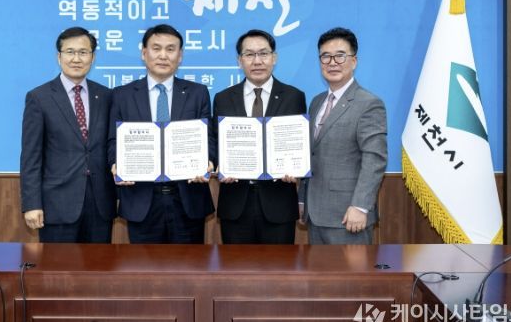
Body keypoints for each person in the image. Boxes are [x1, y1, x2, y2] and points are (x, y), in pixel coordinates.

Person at [108, 24, 214, 243]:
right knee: (143, 264)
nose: (163, 55)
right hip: (141, 199)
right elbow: (113, 140)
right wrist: (115, 163)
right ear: (144, 53)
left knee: (190, 263)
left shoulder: (198, 93)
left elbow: (209, 137)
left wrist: (209, 161)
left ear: (180, 55)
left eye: (170, 49)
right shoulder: (122, 95)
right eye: (156, 48)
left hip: (188, 198)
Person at [20, 27, 116, 242]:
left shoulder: (106, 95)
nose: (76, 59)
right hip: (57, 204)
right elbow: (30, 157)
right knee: (57, 264)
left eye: (83, 52)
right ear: (59, 56)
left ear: (92, 57)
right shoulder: (39, 98)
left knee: (99, 262)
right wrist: (32, 204)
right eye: (70, 52)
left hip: (100, 204)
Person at [213, 29, 306, 244]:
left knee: (280, 265)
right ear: (239, 61)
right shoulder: (223, 98)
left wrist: (296, 168)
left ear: (274, 58)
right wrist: (220, 165)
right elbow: (216, 141)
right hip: (235, 204)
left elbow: (300, 142)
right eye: (249, 54)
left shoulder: (294, 97)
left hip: (278, 204)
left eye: (263, 53)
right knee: (235, 265)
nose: (257, 61)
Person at [300, 27, 387, 245]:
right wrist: (302, 200)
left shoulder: (369, 103)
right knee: (318, 269)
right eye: (325, 56)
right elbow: (311, 154)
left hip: (348, 216)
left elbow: (374, 159)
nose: (332, 62)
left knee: (351, 270)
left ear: (354, 61)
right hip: (315, 214)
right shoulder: (316, 102)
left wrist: (360, 206)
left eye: (340, 56)